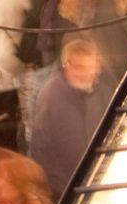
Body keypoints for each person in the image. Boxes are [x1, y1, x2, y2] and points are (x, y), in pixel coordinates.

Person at [29, 32, 113, 193]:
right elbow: (40, 148)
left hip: (98, 182)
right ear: (66, 66)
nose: (85, 73)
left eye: (90, 67)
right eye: (79, 67)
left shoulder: (103, 92)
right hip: (67, 188)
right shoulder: (51, 96)